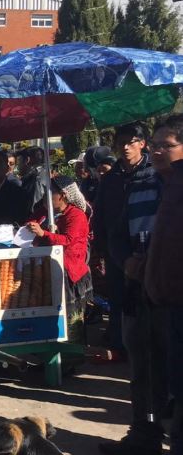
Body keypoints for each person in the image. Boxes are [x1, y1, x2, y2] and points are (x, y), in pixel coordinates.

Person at [96, 123, 166, 455]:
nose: (128, 148)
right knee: (142, 367)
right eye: (121, 142)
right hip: (134, 287)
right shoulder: (130, 185)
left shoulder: (167, 183)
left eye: (166, 145)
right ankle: (143, 435)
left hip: (172, 293)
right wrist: (125, 261)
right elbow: (114, 232)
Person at [91, 125, 150, 364]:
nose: (126, 147)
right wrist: (102, 247)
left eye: (131, 142)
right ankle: (120, 346)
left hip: (148, 251)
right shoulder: (111, 178)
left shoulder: (154, 173)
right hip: (116, 251)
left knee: (148, 301)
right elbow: (100, 214)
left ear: (142, 144)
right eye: (121, 142)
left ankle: (147, 347)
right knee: (118, 300)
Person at [144, 116, 183, 455]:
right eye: (154, 144)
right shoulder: (163, 185)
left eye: (165, 146)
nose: (156, 151)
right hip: (163, 301)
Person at [25, 176, 93, 344]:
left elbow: (68, 240)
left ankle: (71, 358)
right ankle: (51, 354)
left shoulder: (76, 215)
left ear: (62, 195)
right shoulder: (46, 213)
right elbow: (31, 223)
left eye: (50, 193)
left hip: (69, 274)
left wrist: (44, 234)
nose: (45, 197)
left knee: (70, 321)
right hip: (47, 271)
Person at [16, 146, 47, 212]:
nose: (17, 165)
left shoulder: (35, 179)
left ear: (27, 160)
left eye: (19, 161)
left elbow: (33, 208)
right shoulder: (45, 174)